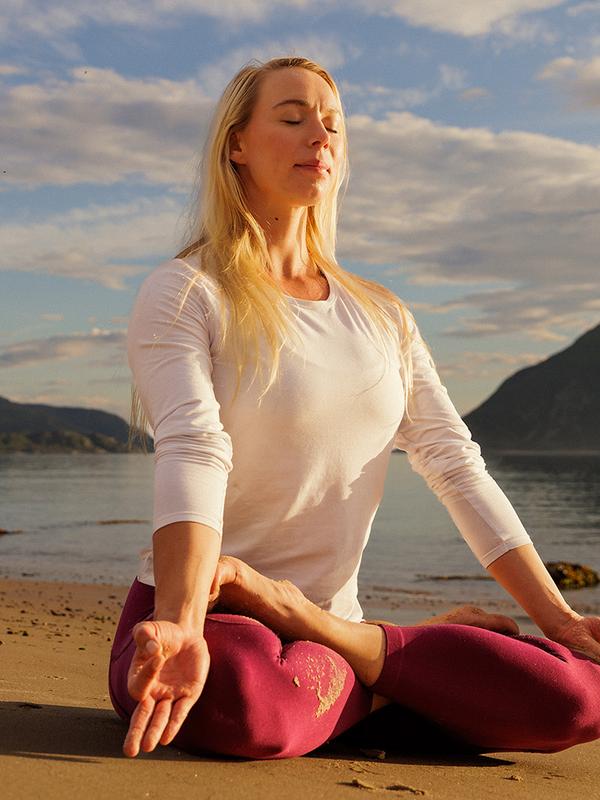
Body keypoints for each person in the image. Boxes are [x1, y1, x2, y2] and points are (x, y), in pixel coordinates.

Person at [108, 56, 600, 761]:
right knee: (241, 698)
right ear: (236, 145)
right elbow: (192, 445)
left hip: (324, 630)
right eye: (292, 117)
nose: (320, 136)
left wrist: (556, 618)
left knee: (578, 698)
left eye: (333, 124)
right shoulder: (187, 291)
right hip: (207, 615)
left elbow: (454, 465)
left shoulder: (382, 315)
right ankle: (395, 669)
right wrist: (181, 621)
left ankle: (352, 647)